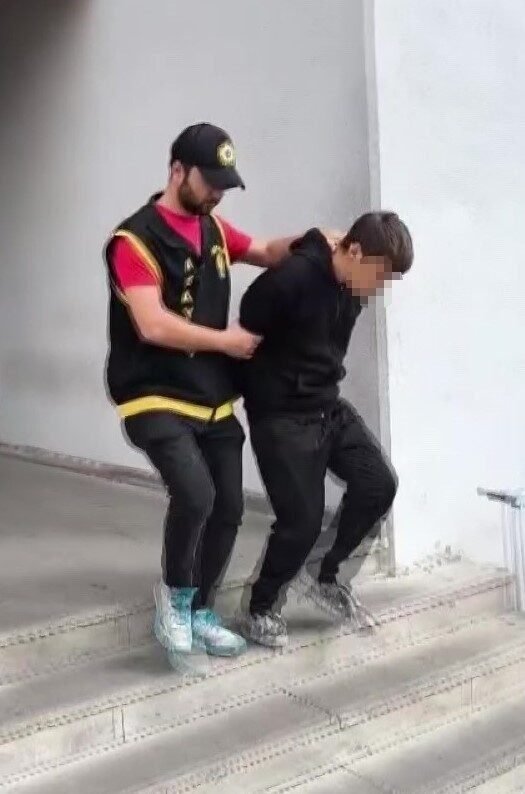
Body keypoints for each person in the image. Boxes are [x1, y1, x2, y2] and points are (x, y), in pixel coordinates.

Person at [103, 122, 339, 663]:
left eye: (224, 185)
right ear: (177, 170)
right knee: (196, 494)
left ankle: (202, 610)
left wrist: (312, 241)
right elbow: (152, 325)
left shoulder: (212, 229)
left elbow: (265, 250)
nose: (216, 194)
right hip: (153, 395)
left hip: (211, 398)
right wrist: (227, 342)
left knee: (229, 507)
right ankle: (174, 597)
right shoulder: (133, 241)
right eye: (209, 182)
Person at [236, 212, 414, 647]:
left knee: (378, 484)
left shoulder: (350, 283)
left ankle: (323, 575)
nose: (380, 288)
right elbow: (250, 315)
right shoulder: (294, 277)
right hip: (280, 415)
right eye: (380, 276)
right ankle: (259, 608)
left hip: (326, 406)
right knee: (302, 521)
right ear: (356, 252)